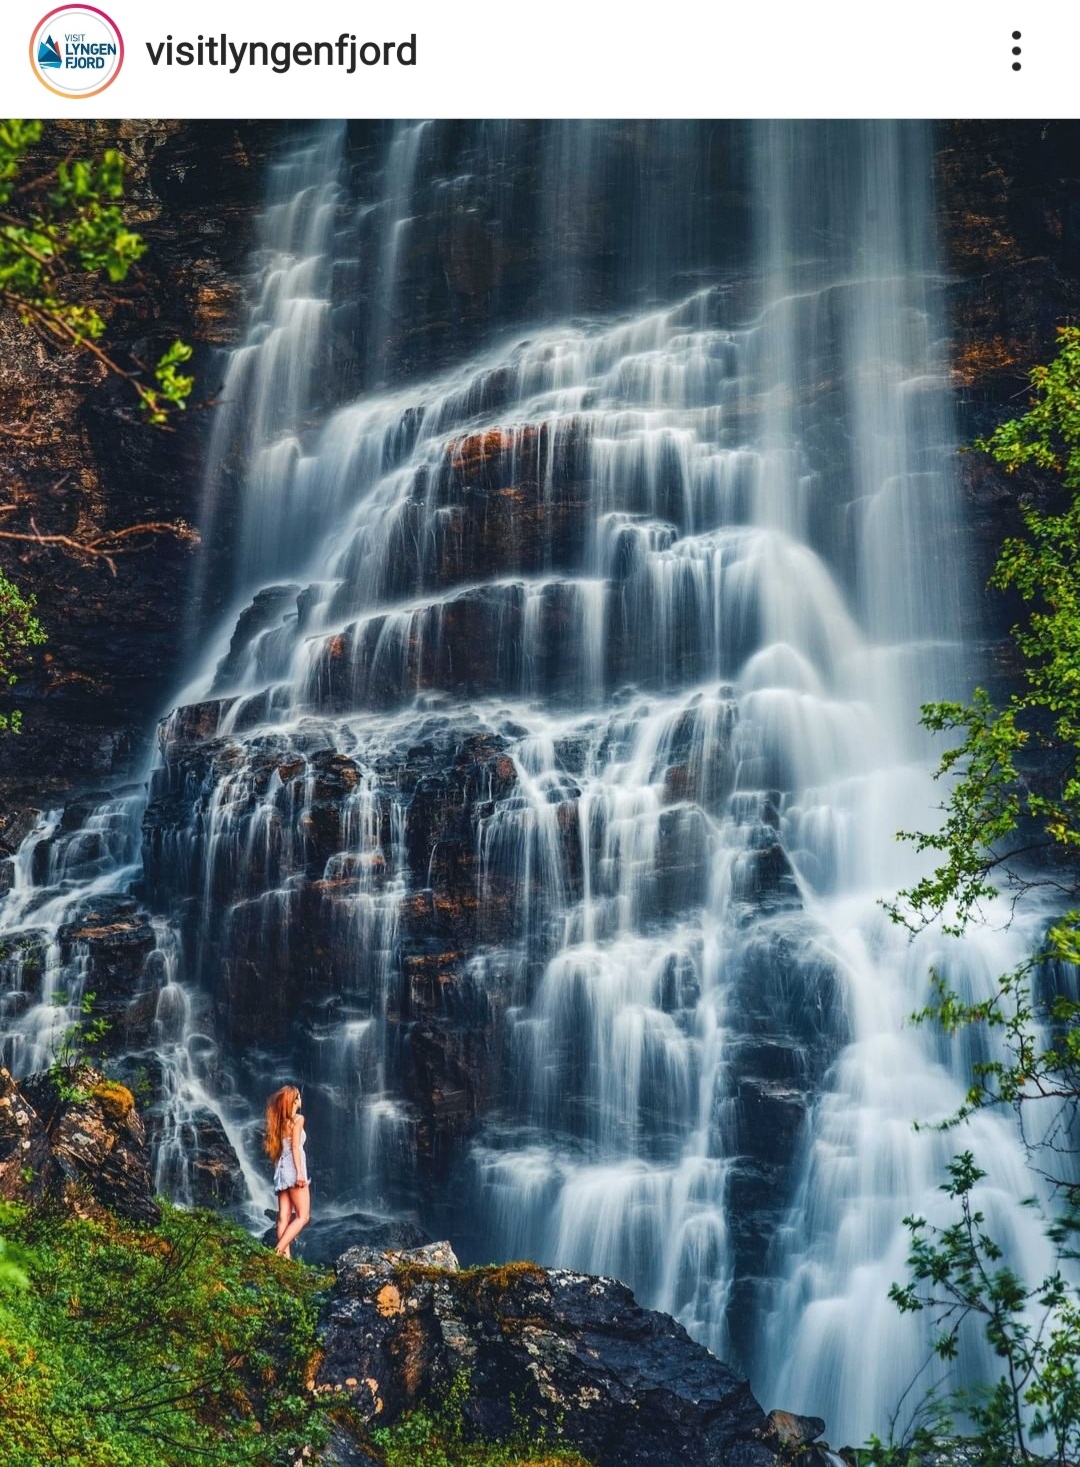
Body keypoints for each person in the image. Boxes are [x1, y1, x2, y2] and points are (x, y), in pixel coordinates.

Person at [264, 1083, 310, 1258]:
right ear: (294, 1100)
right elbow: (295, 1148)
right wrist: (299, 1173)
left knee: (284, 1217)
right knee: (302, 1216)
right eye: (298, 1096)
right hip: (293, 1169)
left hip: (281, 1171)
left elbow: (279, 1151)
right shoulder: (298, 1120)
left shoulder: (278, 1123)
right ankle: (277, 1253)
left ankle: (286, 1260)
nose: (300, 1099)